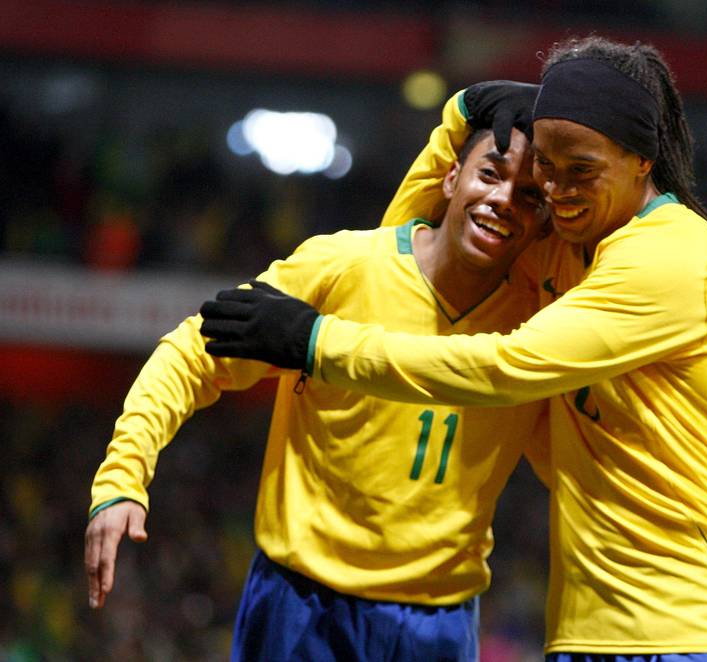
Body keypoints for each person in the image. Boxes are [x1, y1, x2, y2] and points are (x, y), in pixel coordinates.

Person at [200, 35, 707, 661]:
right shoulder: (559, 249)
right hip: (595, 627)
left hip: (702, 628)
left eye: (582, 170)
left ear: (642, 160)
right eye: (547, 168)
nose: (559, 190)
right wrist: (461, 116)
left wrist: (316, 341)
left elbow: (500, 367)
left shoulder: (672, 255)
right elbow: (414, 257)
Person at [85, 126, 552, 661]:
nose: (503, 200)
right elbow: (193, 352)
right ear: (449, 177)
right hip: (302, 603)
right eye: (489, 174)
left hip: (439, 620)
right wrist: (122, 477)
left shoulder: (543, 322)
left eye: (529, 195)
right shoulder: (344, 266)